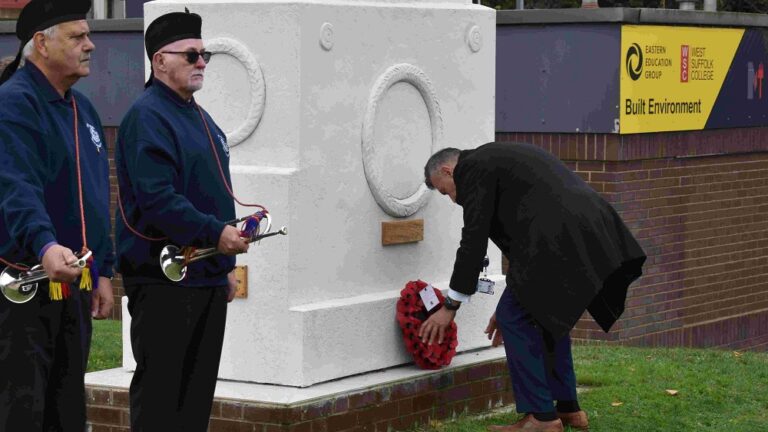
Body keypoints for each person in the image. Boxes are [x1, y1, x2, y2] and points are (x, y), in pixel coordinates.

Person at [419, 143, 646, 432]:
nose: (452, 199)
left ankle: (541, 417)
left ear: (448, 170)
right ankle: (568, 410)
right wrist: (509, 297)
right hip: (584, 226)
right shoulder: (494, 159)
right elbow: (525, 231)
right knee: (546, 317)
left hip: (558, 236)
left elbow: (473, 241)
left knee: (514, 318)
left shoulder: (472, 170)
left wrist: (450, 306)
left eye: (445, 190)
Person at [114, 9, 248, 431]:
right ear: (160, 61)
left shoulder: (200, 117)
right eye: (191, 55)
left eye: (203, 54)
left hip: (205, 276)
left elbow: (214, 194)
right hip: (163, 279)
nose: (202, 63)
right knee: (161, 398)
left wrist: (223, 266)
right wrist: (215, 234)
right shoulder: (148, 115)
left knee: (195, 397)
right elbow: (157, 199)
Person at [0, 0, 115, 430]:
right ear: (42, 44)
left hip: (74, 288)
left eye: (89, 35)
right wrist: (45, 244)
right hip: (25, 290)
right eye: (78, 36)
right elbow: (16, 185)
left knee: (68, 411)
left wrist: (102, 270)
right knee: (23, 411)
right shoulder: (14, 103)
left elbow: (95, 197)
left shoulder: (81, 109)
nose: (91, 45)